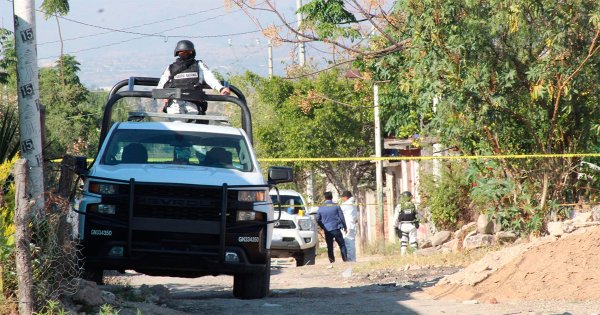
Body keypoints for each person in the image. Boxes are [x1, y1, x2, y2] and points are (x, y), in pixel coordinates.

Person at [157, 40, 231, 115]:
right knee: (177, 124)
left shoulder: (199, 66)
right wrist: (164, 96)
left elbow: (210, 79)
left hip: (193, 104)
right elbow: (160, 87)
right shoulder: (171, 68)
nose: (185, 54)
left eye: (188, 52)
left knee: (193, 124)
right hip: (175, 105)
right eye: (182, 52)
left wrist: (221, 89)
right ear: (178, 53)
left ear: (192, 52)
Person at [316, 191, 348, 263]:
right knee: (342, 244)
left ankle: (332, 261)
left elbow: (317, 218)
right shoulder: (336, 206)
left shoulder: (321, 207)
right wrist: (345, 227)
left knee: (329, 246)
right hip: (336, 228)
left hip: (327, 230)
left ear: (325, 198)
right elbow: (341, 217)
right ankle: (345, 259)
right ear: (332, 197)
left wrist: (322, 226)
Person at [392, 191, 419, 255]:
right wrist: (417, 223)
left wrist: (395, 226)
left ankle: (403, 255)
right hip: (412, 225)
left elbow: (396, 218)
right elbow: (418, 215)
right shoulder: (414, 205)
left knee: (403, 241)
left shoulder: (399, 206)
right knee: (413, 241)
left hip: (403, 225)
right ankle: (415, 254)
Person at [340, 190, 357, 262]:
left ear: (346, 197)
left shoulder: (346, 204)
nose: (342, 199)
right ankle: (352, 259)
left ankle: (351, 259)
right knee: (351, 243)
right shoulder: (353, 204)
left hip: (348, 226)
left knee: (348, 243)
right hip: (352, 225)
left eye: (342, 198)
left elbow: (338, 210)